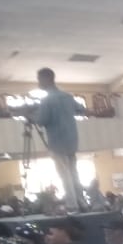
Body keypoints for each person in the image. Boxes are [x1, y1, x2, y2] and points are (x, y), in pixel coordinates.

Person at [25, 68, 83, 211]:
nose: (38, 82)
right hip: (72, 140)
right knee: (74, 173)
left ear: (47, 79)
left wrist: (31, 116)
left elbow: (42, 120)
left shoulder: (47, 100)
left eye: (39, 79)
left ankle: (72, 204)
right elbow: (80, 109)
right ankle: (82, 202)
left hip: (57, 141)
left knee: (64, 174)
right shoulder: (67, 96)